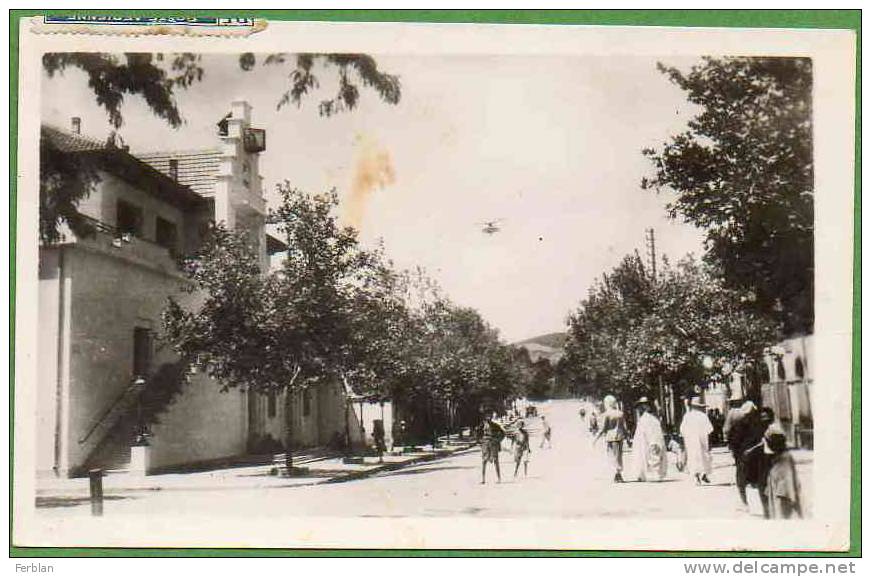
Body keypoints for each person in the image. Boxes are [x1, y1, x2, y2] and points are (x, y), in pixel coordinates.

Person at [763, 424, 803, 519]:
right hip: (779, 500)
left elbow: (786, 491)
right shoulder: (778, 459)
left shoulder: (783, 461)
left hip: (783, 504)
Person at [632, 397, 668, 482]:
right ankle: (643, 473)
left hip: (650, 441)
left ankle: (655, 473)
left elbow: (653, 434)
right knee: (642, 455)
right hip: (643, 443)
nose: (640, 409)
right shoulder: (644, 418)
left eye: (642, 406)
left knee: (652, 455)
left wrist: (653, 443)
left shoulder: (650, 419)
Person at [594, 395, 628, 482]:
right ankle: (619, 473)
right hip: (620, 437)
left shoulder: (606, 414)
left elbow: (603, 428)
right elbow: (624, 427)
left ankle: (617, 473)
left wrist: (596, 438)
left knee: (612, 455)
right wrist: (627, 437)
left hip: (610, 437)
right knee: (619, 455)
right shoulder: (620, 413)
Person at [679, 397, 713, 485]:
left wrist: (684, 441)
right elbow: (709, 430)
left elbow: (682, 430)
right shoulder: (703, 416)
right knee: (705, 457)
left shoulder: (687, 416)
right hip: (702, 440)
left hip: (691, 441)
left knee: (693, 458)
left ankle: (697, 476)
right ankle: (704, 474)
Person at [480, 412, 505, 484]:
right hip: (485, 445)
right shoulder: (482, 425)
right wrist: (480, 441)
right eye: (487, 416)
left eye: (489, 416)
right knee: (484, 461)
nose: (488, 418)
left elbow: (503, 434)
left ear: (491, 417)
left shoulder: (495, 425)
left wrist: (498, 440)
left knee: (496, 461)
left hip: (493, 445)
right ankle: (483, 479)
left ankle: (499, 478)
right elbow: (477, 433)